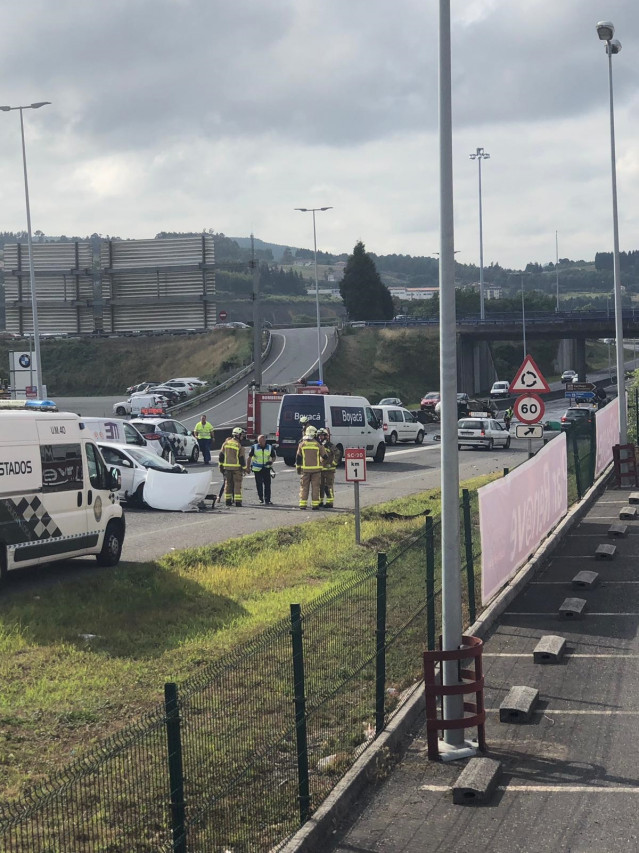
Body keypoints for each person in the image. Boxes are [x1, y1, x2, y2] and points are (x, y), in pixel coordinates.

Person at [296, 425, 328, 510]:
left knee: (304, 487)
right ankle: (315, 505)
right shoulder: (318, 444)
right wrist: (321, 463)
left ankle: (303, 504)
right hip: (316, 470)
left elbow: (298, 458)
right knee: (315, 488)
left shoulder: (302, 444)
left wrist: (298, 468)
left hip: (305, 470)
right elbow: (325, 456)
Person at [219, 427, 248, 507]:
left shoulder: (225, 443)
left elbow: (221, 456)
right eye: (241, 435)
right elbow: (241, 459)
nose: (242, 437)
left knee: (228, 484)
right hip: (237, 469)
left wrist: (220, 466)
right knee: (237, 485)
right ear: (237, 435)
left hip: (226, 468)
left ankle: (228, 501)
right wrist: (245, 468)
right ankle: (238, 501)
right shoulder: (239, 446)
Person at [248, 434, 276, 504]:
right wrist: (247, 467)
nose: (261, 443)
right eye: (260, 441)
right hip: (257, 469)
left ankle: (267, 500)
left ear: (265, 441)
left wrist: (271, 461)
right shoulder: (254, 447)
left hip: (266, 468)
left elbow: (273, 456)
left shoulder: (269, 447)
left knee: (267, 484)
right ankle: (261, 498)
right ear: (258, 441)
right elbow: (249, 457)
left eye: (263, 441)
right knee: (259, 484)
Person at [317, 427, 337, 508]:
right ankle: (320, 501)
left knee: (328, 486)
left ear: (325, 436)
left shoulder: (330, 445)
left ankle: (330, 502)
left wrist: (333, 463)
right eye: (319, 436)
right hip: (321, 469)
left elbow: (338, 453)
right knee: (320, 486)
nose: (320, 437)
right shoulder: (319, 445)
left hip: (329, 470)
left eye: (321, 436)